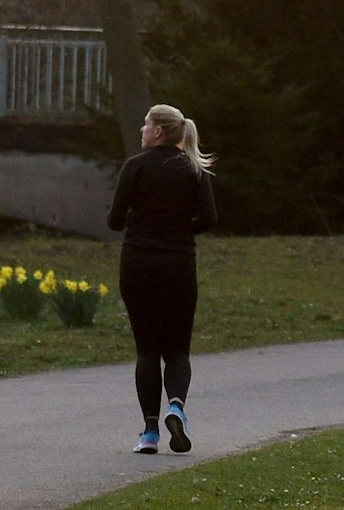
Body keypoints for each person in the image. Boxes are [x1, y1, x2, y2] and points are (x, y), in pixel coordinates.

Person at [107, 102, 217, 455]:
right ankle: (177, 407)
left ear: (158, 132)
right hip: (178, 263)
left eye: (145, 125)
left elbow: (114, 220)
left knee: (147, 350)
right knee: (178, 350)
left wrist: (140, 224)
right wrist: (181, 229)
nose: (141, 130)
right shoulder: (192, 169)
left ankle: (150, 432)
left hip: (138, 262)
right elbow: (211, 218)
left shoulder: (135, 167)